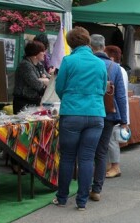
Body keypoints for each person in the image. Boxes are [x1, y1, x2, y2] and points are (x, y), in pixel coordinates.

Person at [53, 26, 106, 211]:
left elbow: (59, 87)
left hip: (72, 112)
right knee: (87, 158)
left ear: (70, 43)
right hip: (96, 113)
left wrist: (69, 99)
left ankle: (62, 198)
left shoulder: (68, 61)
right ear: (88, 41)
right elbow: (103, 87)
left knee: (67, 157)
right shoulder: (100, 63)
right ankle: (82, 201)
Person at [88, 34, 128, 202]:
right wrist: (124, 119)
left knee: (86, 150)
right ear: (104, 47)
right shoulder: (114, 67)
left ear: (90, 47)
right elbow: (120, 96)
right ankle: (97, 188)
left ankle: (84, 186)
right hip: (108, 113)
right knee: (101, 150)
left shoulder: (86, 64)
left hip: (88, 111)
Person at [104, 45, 130, 179]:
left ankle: (115, 166)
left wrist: (123, 119)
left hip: (114, 109)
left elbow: (120, 95)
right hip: (117, 109)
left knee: (112, 140)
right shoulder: (120, 70)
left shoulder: (117, 70)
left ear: (112, 57)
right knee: (110, 139)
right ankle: (110, 165)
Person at [12, 41, 49, 114]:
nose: (44, 53)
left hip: (35, 101)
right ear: (35, 53)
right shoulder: (25, 65)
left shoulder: (39, 65)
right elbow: (37, 84)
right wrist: (44, 81)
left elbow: (49, 79)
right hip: (23, 103)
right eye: (42, 51)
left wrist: (44, 80)